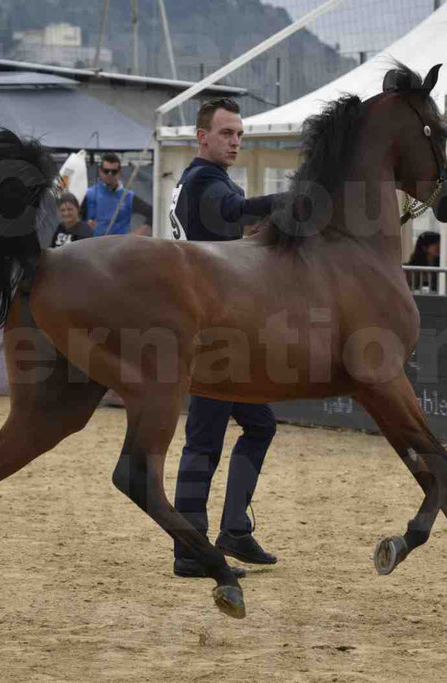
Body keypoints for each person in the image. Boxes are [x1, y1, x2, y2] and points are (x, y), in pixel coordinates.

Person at [169, 97, 284, 579]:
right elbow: (234, 210)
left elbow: (233, 225)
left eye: (239, 134)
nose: (235, 141)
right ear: (202, 136)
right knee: (203, 440)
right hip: (210, 330)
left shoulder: (203, 181)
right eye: (226, 133)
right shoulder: (203, 180)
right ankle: (189, 550)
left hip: (219, 326)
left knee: (258, 425)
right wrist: (285, 201)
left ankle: (234, 528)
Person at [82, 153, 152, 236]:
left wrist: (138, 233)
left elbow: (152, 213)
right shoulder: (89, 194)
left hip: (120, 246)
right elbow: (75, 220)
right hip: (94, 245)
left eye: (114, 172)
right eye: (106, 171)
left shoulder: (128, 197)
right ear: (100, 171)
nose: (110, 174)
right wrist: (84, 225)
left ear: (119, 172)